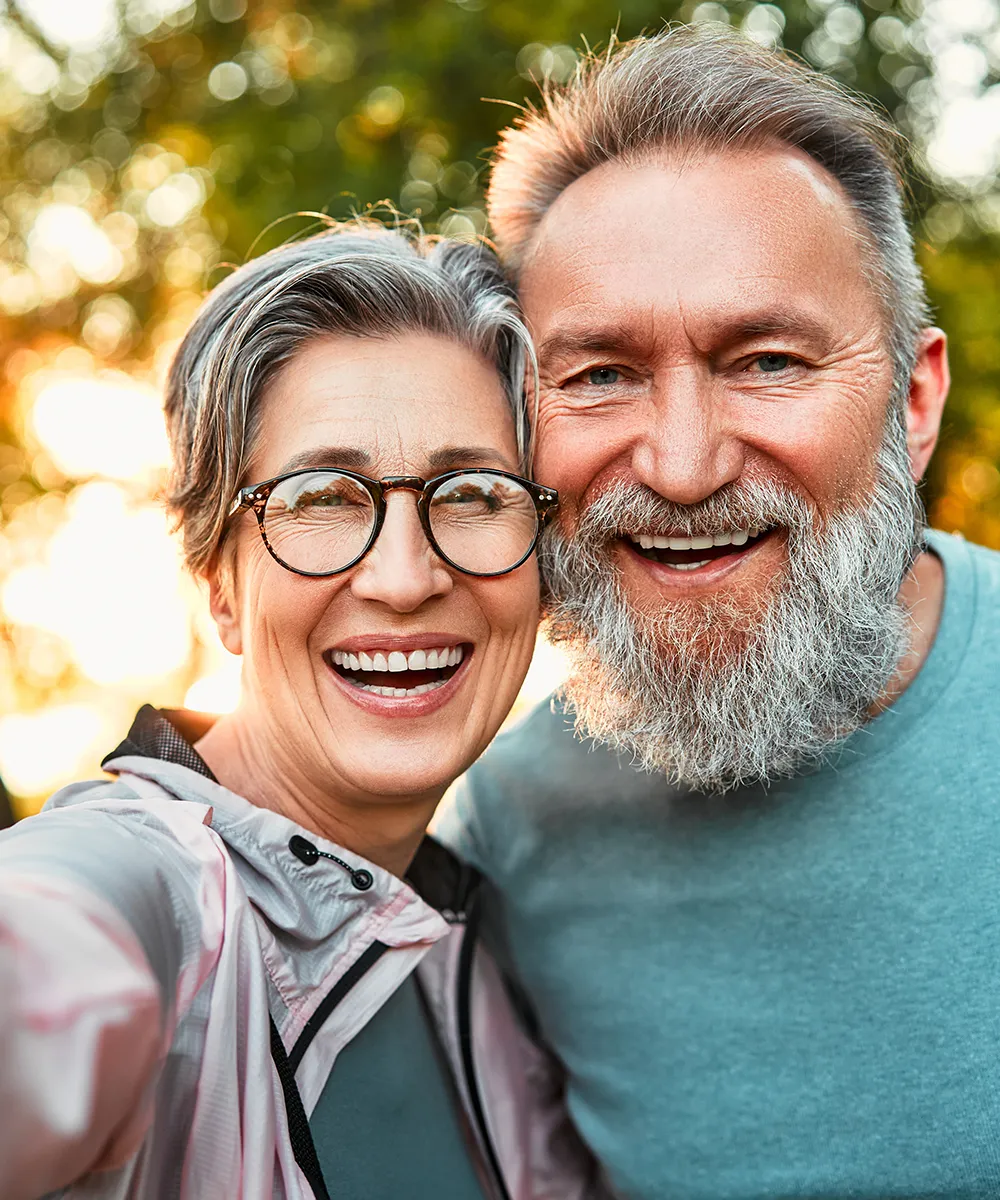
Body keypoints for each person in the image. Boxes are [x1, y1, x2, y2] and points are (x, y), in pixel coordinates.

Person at [440, 24, 1000, 1200]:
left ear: (910, 399)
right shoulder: (509, 830)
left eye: (768, 362)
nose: (684, 467)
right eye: (597, 374)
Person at [0, 225, 607, 1200]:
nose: (406, 577)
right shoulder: (142, 894)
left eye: (473, 494)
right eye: (323, 496)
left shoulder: (485, 963)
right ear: (220, 586)